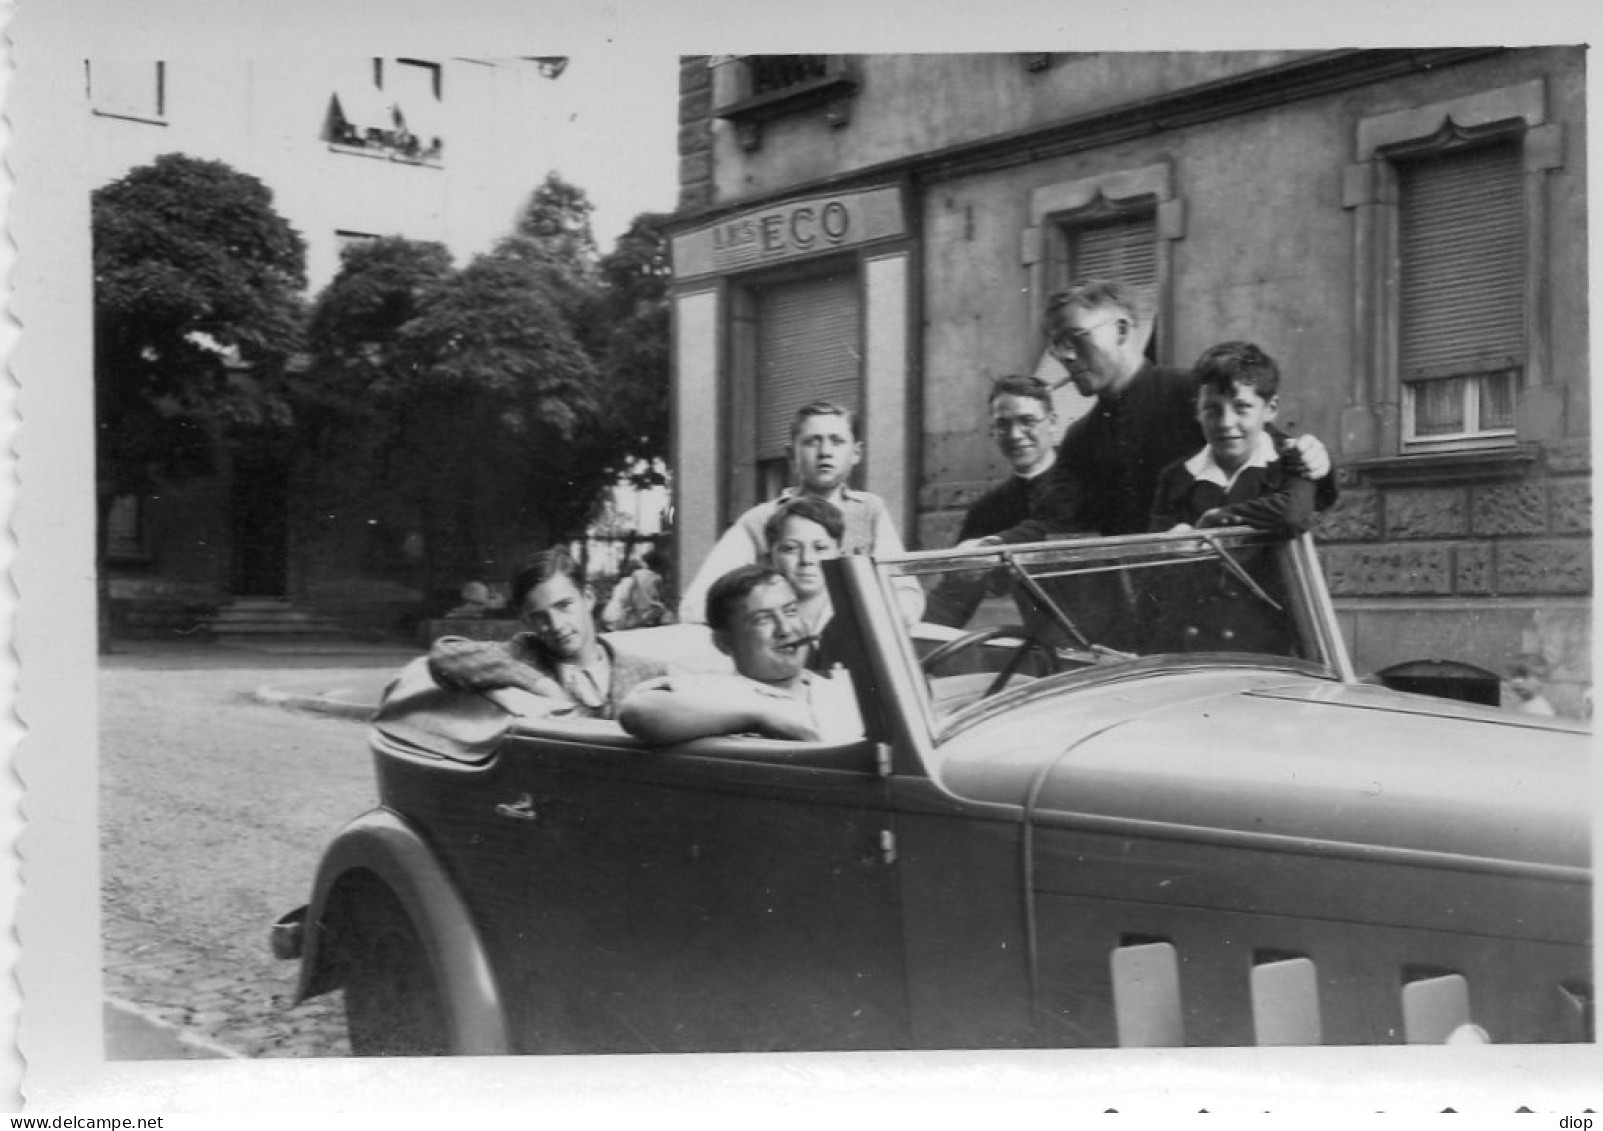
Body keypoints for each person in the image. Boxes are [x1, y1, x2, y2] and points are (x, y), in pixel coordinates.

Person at [966, 280, 1335, 548]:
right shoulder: (1081, 438)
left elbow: (1286, 466)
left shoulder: (1194, 395)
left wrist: (1317, 460)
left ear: (1123, 330)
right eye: (1056, 344)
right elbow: (1056, 521)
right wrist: (994, 544)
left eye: (1075, 338)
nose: (1063, 356)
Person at [677, 400, 924, 625]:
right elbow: (695, 607)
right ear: (791, 454)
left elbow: (907, 597)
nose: (825, 452)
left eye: (836, 441)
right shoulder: (761, 519)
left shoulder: (869, 511)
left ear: (856, 453)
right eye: (811, 441)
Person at [619, 565, 863, 744]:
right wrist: (758, 719)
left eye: (790, 611)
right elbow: (637, 711)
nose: (786, 629)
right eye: (763, 619)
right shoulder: (716, 692)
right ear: (724, 642)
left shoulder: (842, 689)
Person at [427, 547, 667, 719]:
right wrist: (540, 684)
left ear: (588, 598)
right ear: (526, 621)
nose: (556, 624)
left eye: (564, 606)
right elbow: (444, 653)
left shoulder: (648, 671)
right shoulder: (525, 654)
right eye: (540, 617)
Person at [926, 374, 1060, 627]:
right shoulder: (987, 511)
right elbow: (952, 600)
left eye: (1027, 421)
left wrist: (993, 545)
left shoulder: (1086, 482)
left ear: (1052, 423)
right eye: (1003, 424)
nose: (1015, 434)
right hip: (1050, 652)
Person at [1149, 341, 1317, 536]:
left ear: (1270, 409)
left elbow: (1292, 514)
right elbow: (1157, 555)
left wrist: (1218, 517)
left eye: (1242, 408)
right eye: (1213, 409)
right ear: (1197, 410)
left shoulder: (1290, 459)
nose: (1226, 422)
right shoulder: (1176, 477)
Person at [1505, 652, 1557, 716]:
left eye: (1524, 676)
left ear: (1541, 680)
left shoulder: (1539, 710)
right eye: (1513, 676)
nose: (1517, 681)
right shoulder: (1523, 703)